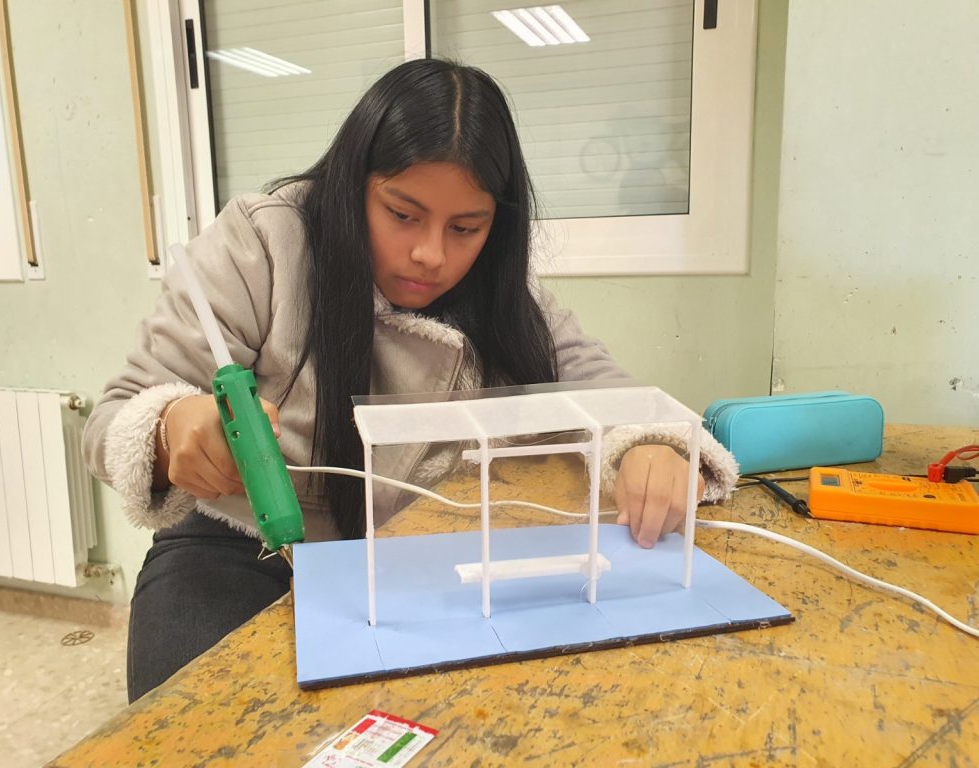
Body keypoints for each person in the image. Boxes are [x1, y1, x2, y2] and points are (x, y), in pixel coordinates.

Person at [82, 58, 738, 702]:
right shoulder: (263, 242)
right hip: (238, 545)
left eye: (466, 228)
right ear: (354, 183)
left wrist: (650, 441)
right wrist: (170, 429)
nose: (431, 254)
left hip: (413, 551)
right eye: (402, 214)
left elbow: (590, 375)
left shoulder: (499, 290)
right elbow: (115, 417)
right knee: (197, 723)